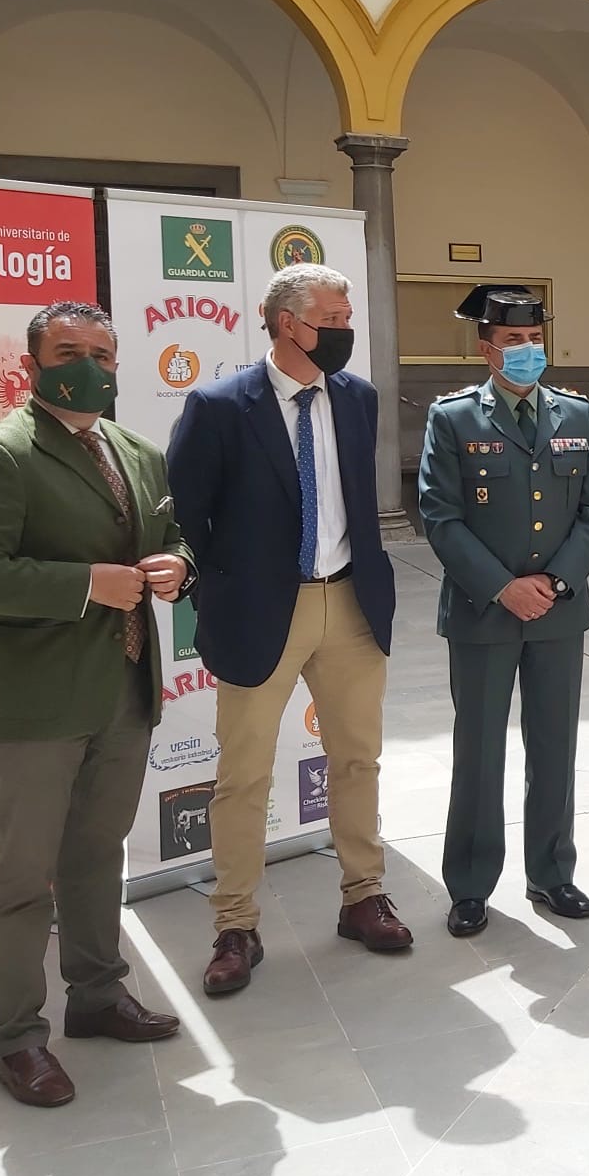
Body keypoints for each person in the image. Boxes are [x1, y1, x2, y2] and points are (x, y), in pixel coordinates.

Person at [0, 302, 190, 1108]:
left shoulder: (138, 451)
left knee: (95, 858)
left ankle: (99, 995)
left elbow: (172, 536)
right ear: (32, 365)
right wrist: (83, 586)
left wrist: (178, 566)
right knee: (21, 879)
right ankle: (17, 1039)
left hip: (122, 694)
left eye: (102, 353)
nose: (90, 365)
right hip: (32, 709)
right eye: (69, 351)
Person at [167, 263, 407, 998]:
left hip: (351, 603)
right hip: (261, 612)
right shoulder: (218, 405)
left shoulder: (357, 398)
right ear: (284, 322)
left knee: (357, 760)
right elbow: (187, 511)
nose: (342, 330)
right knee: (243, 777)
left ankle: (363, 894)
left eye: (346, 316)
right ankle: (235, 925)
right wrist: (230, 587)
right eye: (330, 318)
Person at [418, 286, 589, 935]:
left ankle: (553, 874)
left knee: (554, 749)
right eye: (513, 343)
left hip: (558, 613)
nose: (527, 352)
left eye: (535, 341)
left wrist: (556, 581)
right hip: (484, 613)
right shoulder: (453, 419)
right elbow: (440, 517)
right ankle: (470, 884)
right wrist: (503, 586)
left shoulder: (578, 416)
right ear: (486, 350)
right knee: (479, 752)